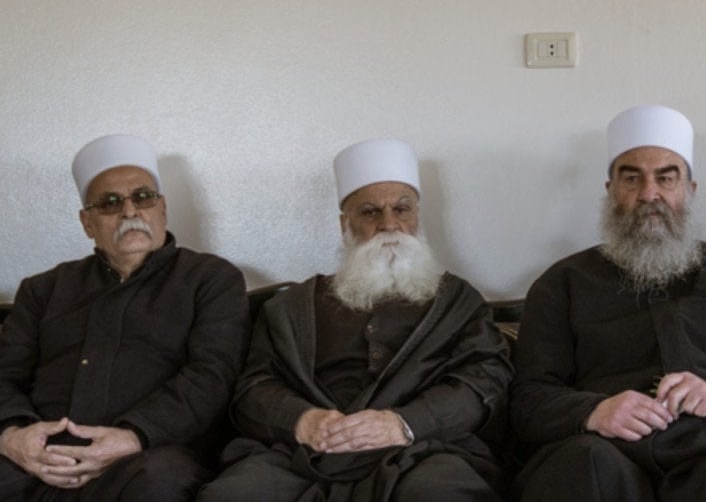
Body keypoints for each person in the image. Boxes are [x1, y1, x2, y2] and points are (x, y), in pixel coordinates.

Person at [510, 105, 706, 501]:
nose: (648, 194)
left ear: (690, 189)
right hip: (603, 452)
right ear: (610, 190)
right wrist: (593, 411)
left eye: (666, 178)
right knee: (583, 462)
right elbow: (527, 398)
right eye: (631, 178)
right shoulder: (562, 282)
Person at [198, 138, 512, 502]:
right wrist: (301, 420)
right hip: (304, 456)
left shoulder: (457, 301)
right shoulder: (291, 307)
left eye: (402, 209)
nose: (389, 224)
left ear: (417, 216)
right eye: (370, 212)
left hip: (420, 450)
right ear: (345, 224)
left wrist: (404, 424)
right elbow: (253, 387)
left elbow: (485, 377)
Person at [0, 133, 250, 501]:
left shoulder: (211, 279)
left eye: (143, 197)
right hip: (40, 456)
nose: (130, 212)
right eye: (110, 203)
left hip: (149, 454)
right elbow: (5, 373)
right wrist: (11, 435)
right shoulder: (44, 289)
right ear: (87, 222)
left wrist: (135, 435)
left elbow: (212, 374)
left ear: (162, 209)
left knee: (159, 482)